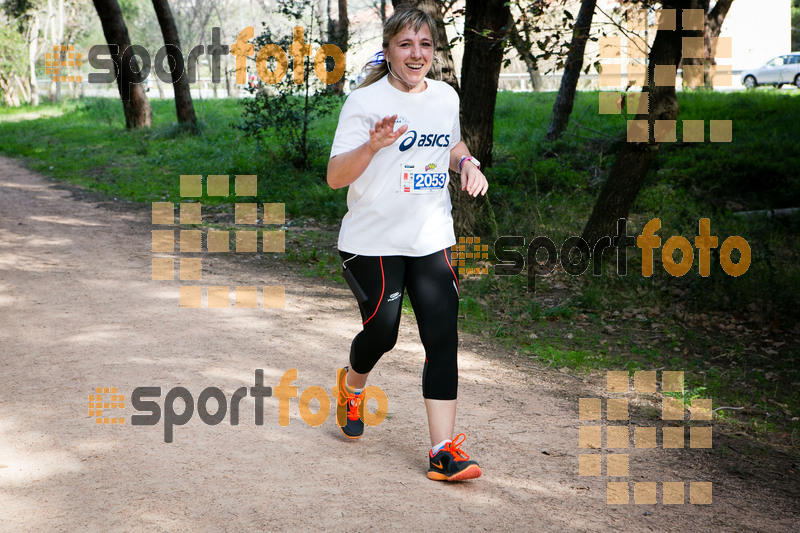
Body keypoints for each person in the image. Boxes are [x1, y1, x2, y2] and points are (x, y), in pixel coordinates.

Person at [327, 6, 488, 482]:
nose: (416, 55)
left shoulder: (445, 97)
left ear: (433, 50)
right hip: (371, 239)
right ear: (389, 48)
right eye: (406, 45)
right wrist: (372, 146)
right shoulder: (364, 103)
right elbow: (336, 177)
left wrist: (467, 165)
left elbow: (452, 146)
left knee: (442, 339)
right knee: (384, 332)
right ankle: (352, 386)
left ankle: (443, 452)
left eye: (425, 45)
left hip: (431, 236)